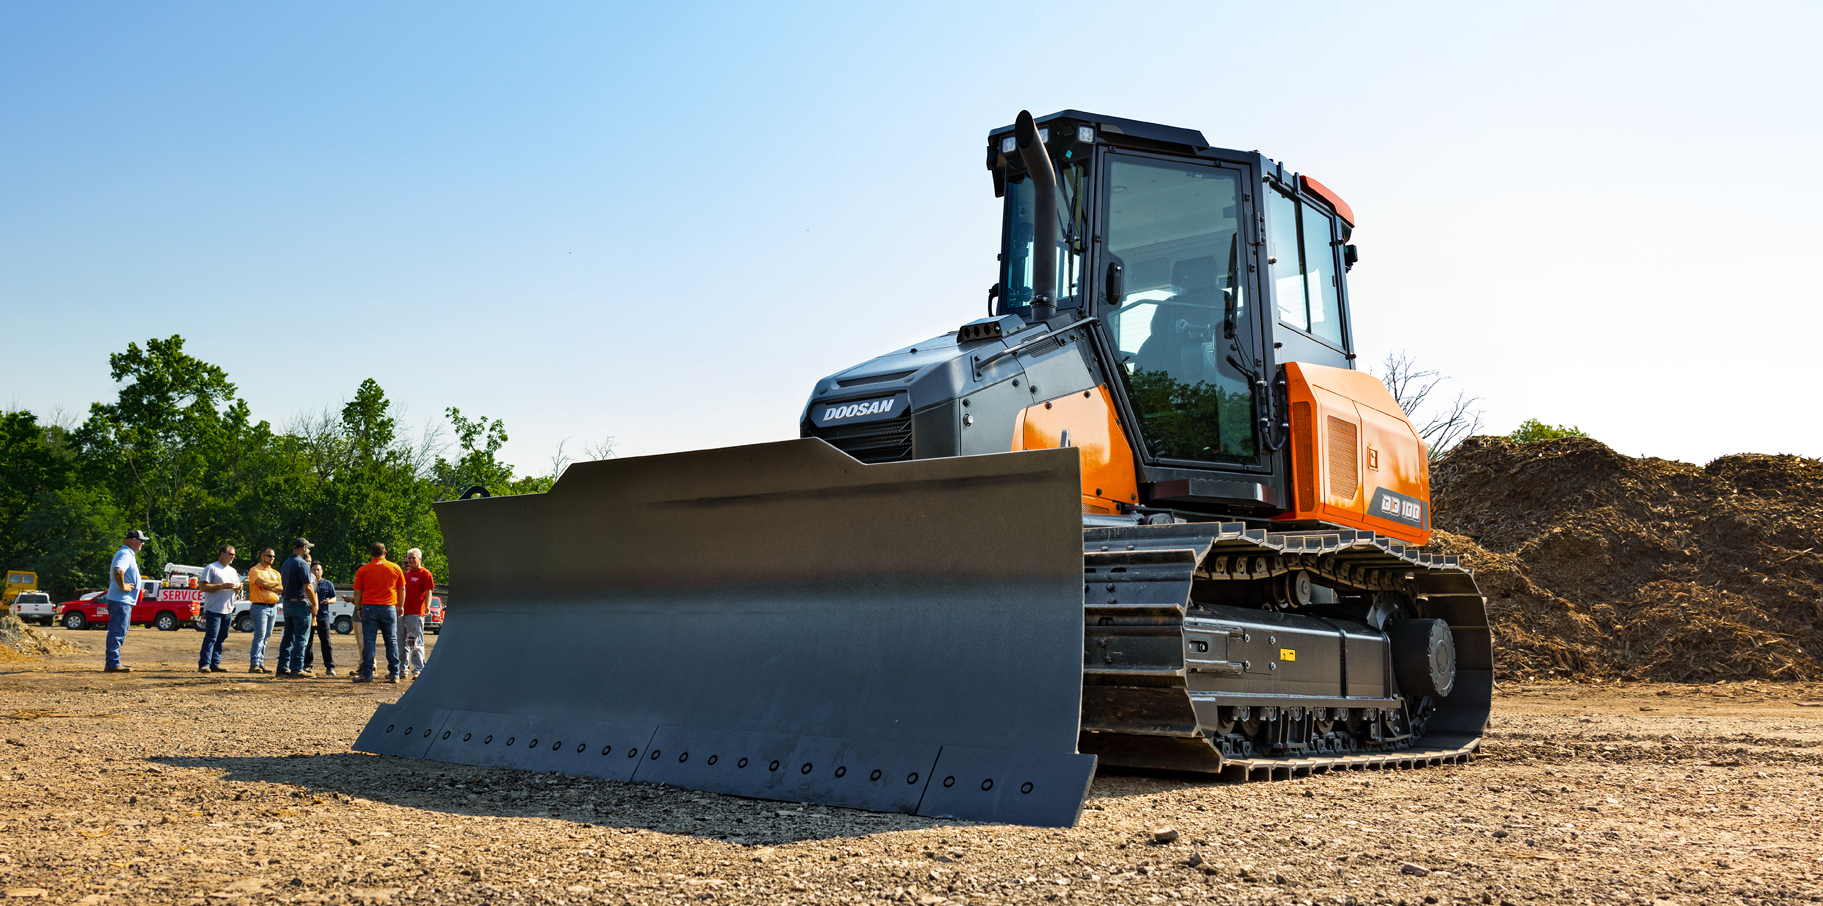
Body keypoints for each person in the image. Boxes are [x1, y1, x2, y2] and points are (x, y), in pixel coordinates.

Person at [350, 542, 405, 684]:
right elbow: (402, 589)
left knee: (369, 641)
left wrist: (359, 608)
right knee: (391, 640)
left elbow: (357, 592)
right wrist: (400, 606)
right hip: (389, 607)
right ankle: (394, 673)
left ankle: (367, 674)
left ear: (371, 554)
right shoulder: (395, 568)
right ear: (385, 553)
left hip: (369, 607)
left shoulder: (363, 570)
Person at [103, 529, 149, 672]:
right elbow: (118, 570)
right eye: (141, 541)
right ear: (133, 540)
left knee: (119, 630)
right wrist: (123, 586)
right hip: (120, 600)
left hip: (122, 600)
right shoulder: (125, 554)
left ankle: (113, 662)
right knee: (117, 631)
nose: (142, 544)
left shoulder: (128, 554)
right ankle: (112, 663)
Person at [275, 538, 319, 678]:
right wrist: (314, 603)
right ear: (304, 548)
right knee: (301, 637)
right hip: (299, 603)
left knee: (288, 636)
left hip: (287, 602)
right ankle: (297, 668)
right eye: (308, 548)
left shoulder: (286, 563)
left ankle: (282, 667)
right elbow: (307, 586)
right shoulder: (302, 563)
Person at [196, 544, 240, 673]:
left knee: (222, 637)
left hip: (228, 609)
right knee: (211, 637)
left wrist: (237, 589)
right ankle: (204, 664)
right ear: (222, 554)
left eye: (234, 555)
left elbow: (234, 591)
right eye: (231, 554)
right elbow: (203, 587)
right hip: (214, 609)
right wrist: (222, 586)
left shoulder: (233, 571)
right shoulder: (211, 568)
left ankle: (215, 663)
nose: (233, 557)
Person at [399, 547, 436, 679]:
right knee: (401, 641)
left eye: (413, 558)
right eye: (409, 558)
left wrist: (427, 606)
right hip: (402, 612)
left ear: (419, 559)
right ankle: (402, 669)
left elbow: (428, 592)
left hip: (415, 612)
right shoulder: (406, 574)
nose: (410, 560)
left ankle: (418, 669)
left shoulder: (425, 573)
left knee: (414, 641)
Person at [246, 548, 282, 674]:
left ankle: (260, 663)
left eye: (273, 556)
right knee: (260, 635)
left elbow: (281, 587)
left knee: (266, 636)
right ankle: (254, 663)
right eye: (269, 556)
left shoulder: (276, 573)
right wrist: (273, 585)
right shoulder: (254, 570)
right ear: (262, 556)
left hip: (273, 607)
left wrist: (268, 584)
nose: (271, 558)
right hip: (259, 606)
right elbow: (261, 583)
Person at [303, 562, 338, 676]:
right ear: (310, 571)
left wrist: (328, 601)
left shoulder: (328, 584)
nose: (316, 572)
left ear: (322, 571)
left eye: (318, 570)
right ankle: (307, 665)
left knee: (326, 642)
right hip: (309, 616)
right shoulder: (307, 583)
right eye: (314, 569)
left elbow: (334, 598)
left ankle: (330, 666)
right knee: (308, 642)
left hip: (323, 616)